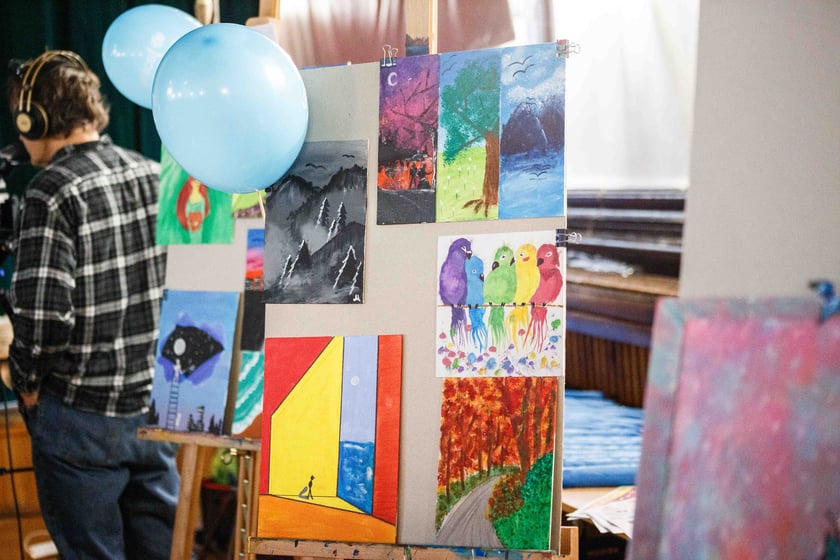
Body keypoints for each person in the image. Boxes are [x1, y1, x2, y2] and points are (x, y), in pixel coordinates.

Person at [5, 50, 179, 559]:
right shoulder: (154, 174)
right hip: (156, 410)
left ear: (34, 119)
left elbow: (44, 322)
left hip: (80, 422)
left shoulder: (49, 192)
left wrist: (26, 384)